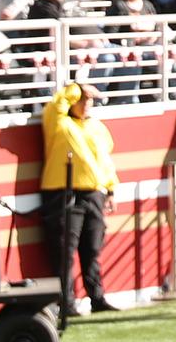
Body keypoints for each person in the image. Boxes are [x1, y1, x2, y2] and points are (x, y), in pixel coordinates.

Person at [40, 81, 118, 321]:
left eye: (90, 100)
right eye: (82, 100)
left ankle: (97, 298)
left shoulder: (96, 127)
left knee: (92, 249)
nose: (86, 104)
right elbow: (56, 104)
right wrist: (78, 87)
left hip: (94, 193)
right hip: (64, 192)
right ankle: (67, 303)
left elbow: (104, 160)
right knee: (65, 251)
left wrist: (111, 188)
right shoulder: (59, 123)